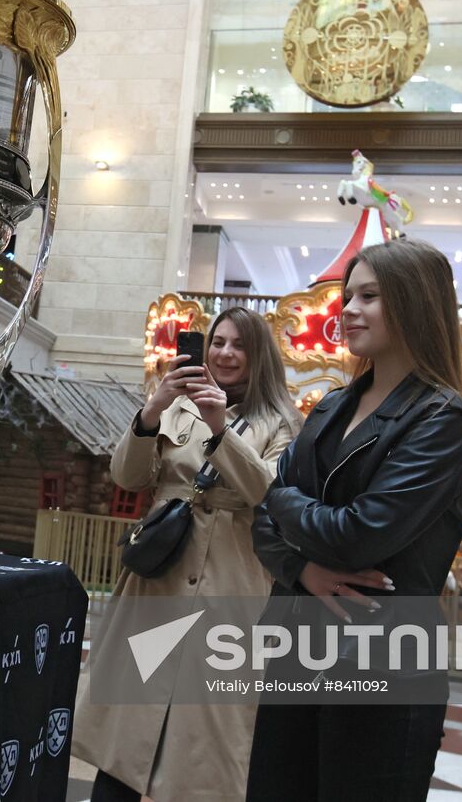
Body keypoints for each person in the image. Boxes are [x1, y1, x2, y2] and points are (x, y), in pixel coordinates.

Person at [245, 237, 462, 801]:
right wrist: (305, 573)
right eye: (348, 296)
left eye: (368, 296)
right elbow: (263, 532)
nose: (347, 309)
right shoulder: (329, 406)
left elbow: (357, 535)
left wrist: (274, 494)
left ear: (414, 301)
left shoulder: (439, 417)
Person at [74, 306, 303, 802]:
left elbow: (269, 493)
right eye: (217, 341)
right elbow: (128, 478)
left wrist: (221, 431)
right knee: (127, 735)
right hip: (158, 581)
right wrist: (152, 411)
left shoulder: (280, 424)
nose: (224, 352)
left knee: (201, 746)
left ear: (258, 355)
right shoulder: (177, 411)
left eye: (238, 344)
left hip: (229, 590)